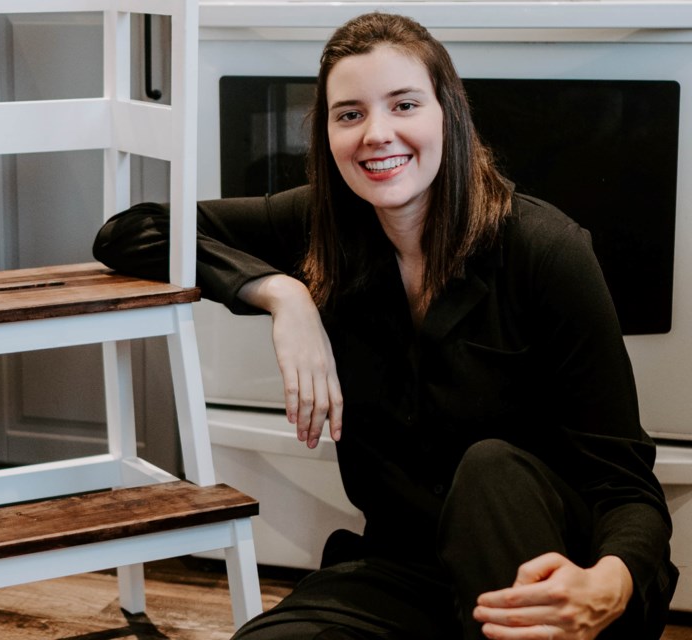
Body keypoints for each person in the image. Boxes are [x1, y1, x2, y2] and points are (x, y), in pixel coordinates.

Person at [93, 12, 678, 640]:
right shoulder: (325, 227)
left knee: (491, 470)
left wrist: (610, 582)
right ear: (327, 134)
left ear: (448, 114)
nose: (377, 134)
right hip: (404, 572)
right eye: (349, 114)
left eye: (403, 104)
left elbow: (626, 489)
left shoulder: (546, 250)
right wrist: (282, 294)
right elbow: (131, 232)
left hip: (542, 580)